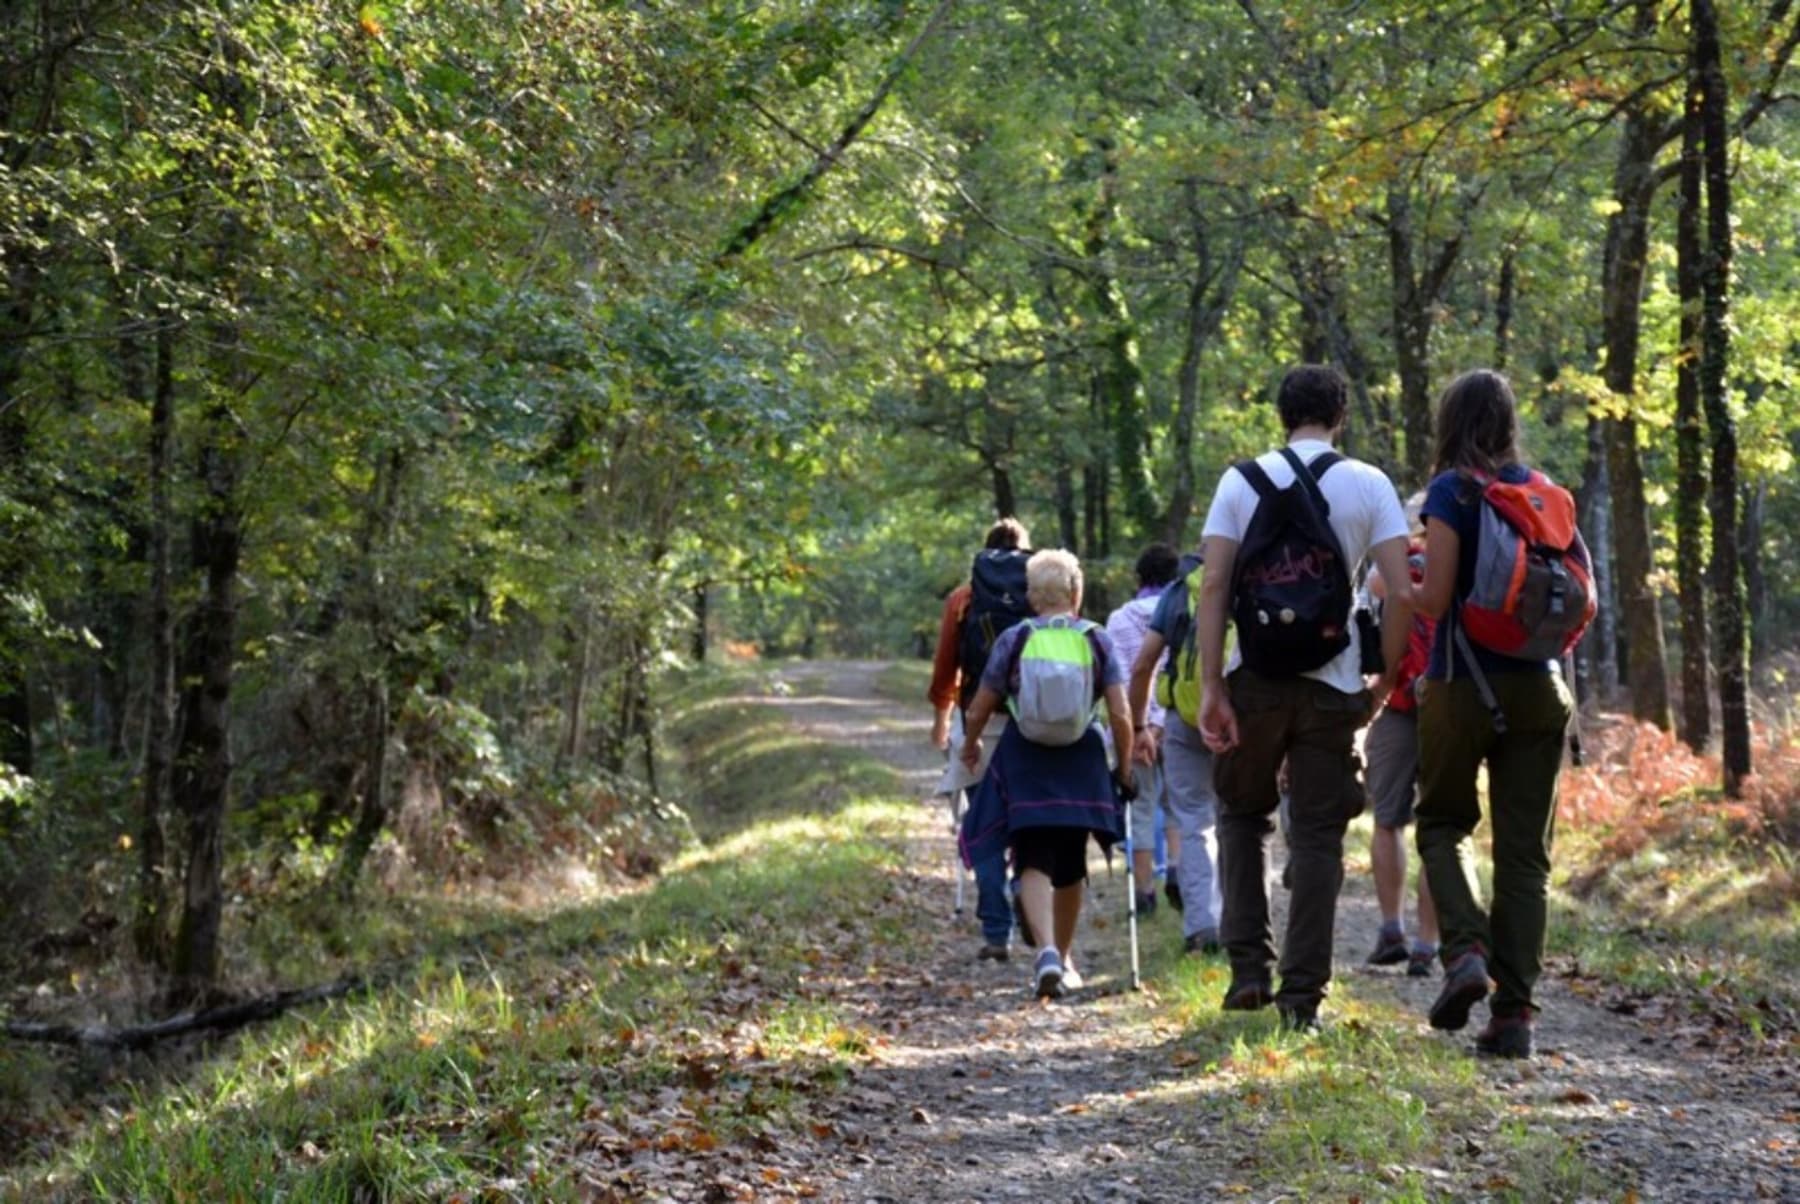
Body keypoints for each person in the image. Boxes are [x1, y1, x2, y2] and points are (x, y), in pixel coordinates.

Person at [1195, 364, 1413, 1032]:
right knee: (1317, 837)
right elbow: (1401, 590)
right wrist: (1388, 676)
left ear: (1282, 415)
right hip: (1334, 681)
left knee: (1241, 816)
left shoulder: (1241, 480)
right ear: (1340, 414)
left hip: (1254, 676)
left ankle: (1248, 972)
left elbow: (1213, 587)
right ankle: (1302, 999)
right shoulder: (1369, 482)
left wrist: (1210, 685)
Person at [1412, 369, 1578, 1059]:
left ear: (1449, 423)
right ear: (1508, 422)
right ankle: (1515, 1020)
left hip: (1461, 683)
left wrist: (1401, 577)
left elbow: (1435, 598)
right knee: (1524, 860)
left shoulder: (1451, 492)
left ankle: (1465, 952)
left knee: (1444, 822)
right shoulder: (1542, 494)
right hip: (1542, 690)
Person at [959, 549, 1131, 998]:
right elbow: (1120, 713)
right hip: (1082, 759)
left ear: (1033, 597)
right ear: (1076, 593)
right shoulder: (1096, 639)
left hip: (1025, 755)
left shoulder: (1015, 639)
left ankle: (1046, 952)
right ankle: (1065, 956)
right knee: (1072, 862)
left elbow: (981, 703)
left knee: (1031, 856)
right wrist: (1125, 767)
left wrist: (971, 742)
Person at [928, 517, 1033, 961]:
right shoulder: (1042, 590)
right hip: (1031, 723)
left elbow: (946, 665)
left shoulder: (964, 597)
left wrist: (941, 718)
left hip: (977, 721)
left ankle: (996, 930)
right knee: (1026, 821)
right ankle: (1026, 894)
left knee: (983, 822)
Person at [1126, 552, 1225, 956]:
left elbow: (1143, 664)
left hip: (1184, 717)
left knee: (1194, 821)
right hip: (1244, 716)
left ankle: (1202, 927)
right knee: (1242, 822)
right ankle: (1246, 927)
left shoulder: (1180, 591)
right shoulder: (1255, 579)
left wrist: (1136, 726)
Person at [1362, 494, 1441, 977]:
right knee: (1439, 826)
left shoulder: (1396, 567)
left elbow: (1374, 589)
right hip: (1448, 702)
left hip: (1394, 700)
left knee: (1388, 820)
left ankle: (1392, 926)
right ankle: (1426, 944)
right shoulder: (1462, 567)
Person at [1105, 544, 1183, 918]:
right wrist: (1160, 721)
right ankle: (1180, 873)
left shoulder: (1119, 620)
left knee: (1140, 805)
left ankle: (1144, 891)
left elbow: (1119, 677)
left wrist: (1137, 728)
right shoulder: (1186, 611)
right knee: (1178, 805)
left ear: (1139, 580)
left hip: (1133, 728)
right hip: (1177, 722)